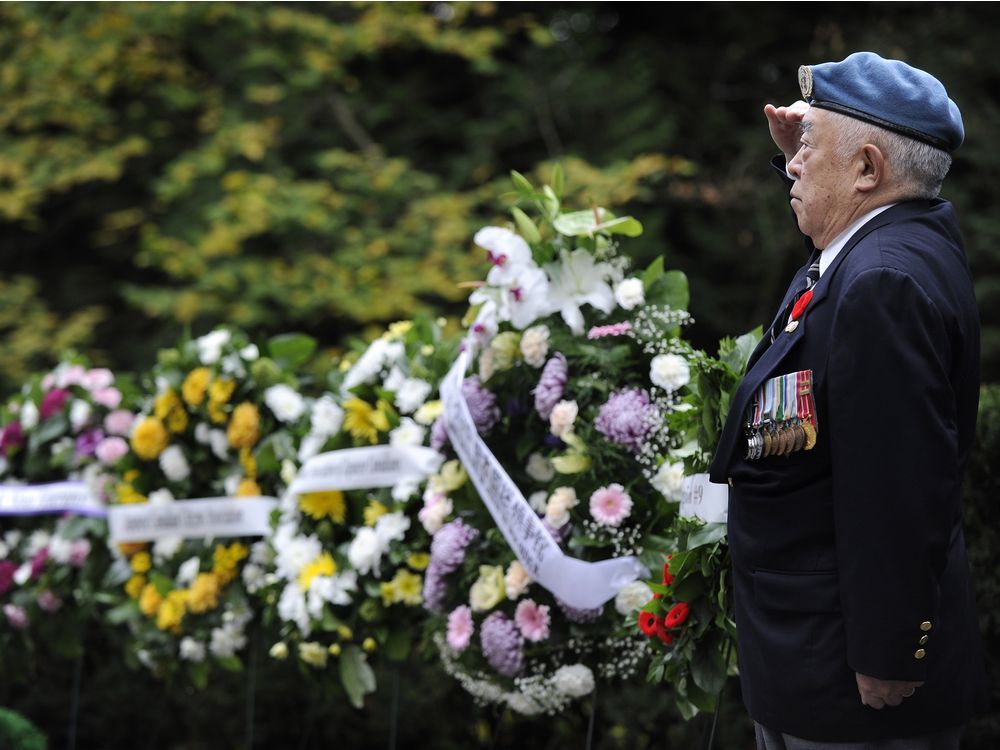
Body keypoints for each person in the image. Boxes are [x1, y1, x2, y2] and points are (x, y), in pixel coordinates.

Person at [708, 52, 987, 749]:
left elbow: (896, 486)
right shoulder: (883, 248)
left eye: (807, 149)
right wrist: (808, 154)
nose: (792, 167)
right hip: (815, 665)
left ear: (867, 170)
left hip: (849, 688)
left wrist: (891, 651)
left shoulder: (881, 284)